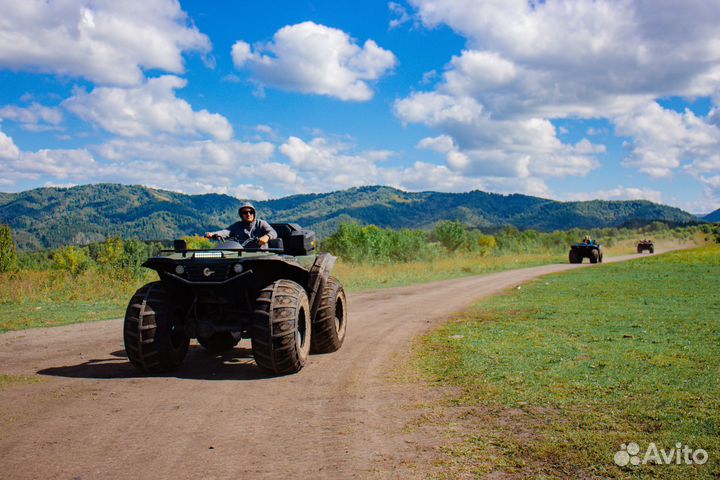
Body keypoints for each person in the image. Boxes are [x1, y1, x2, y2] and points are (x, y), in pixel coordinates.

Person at [204, 202, 277, 249]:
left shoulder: (261, 223)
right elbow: (226, 232)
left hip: (262, 256)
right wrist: (213, 234)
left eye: (251, 212)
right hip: (242, 256)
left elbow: (273, 232)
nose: (248, 214)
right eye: (245, 212)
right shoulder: (237, 226)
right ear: (241, 214)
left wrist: (266, 237)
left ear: (254, 214)